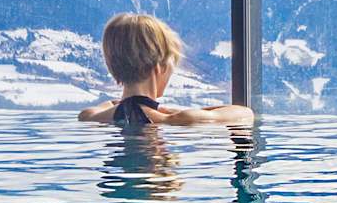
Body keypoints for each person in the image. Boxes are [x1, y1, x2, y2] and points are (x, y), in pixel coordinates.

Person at [78, 13, 254, 126]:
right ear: (159, 67)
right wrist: (171, 111)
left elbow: (110, 105)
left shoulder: (91, 116)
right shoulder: (176, 119)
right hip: (155, 183)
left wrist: (131, 103)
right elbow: (245, 113)